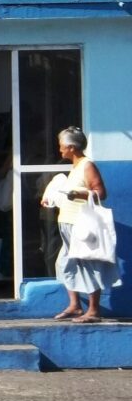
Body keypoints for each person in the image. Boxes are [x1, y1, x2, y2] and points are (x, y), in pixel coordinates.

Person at [41, 126, 121, 323]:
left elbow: (100, 193)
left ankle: (93, 310)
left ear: (71, 147)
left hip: (81, 225)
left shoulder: (87, 165)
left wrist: (78, 194)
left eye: (62, 146)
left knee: (89, 263)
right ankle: (75, 305)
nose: (60, 150)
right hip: (68, 223)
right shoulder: (75, 167)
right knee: (64, 264)